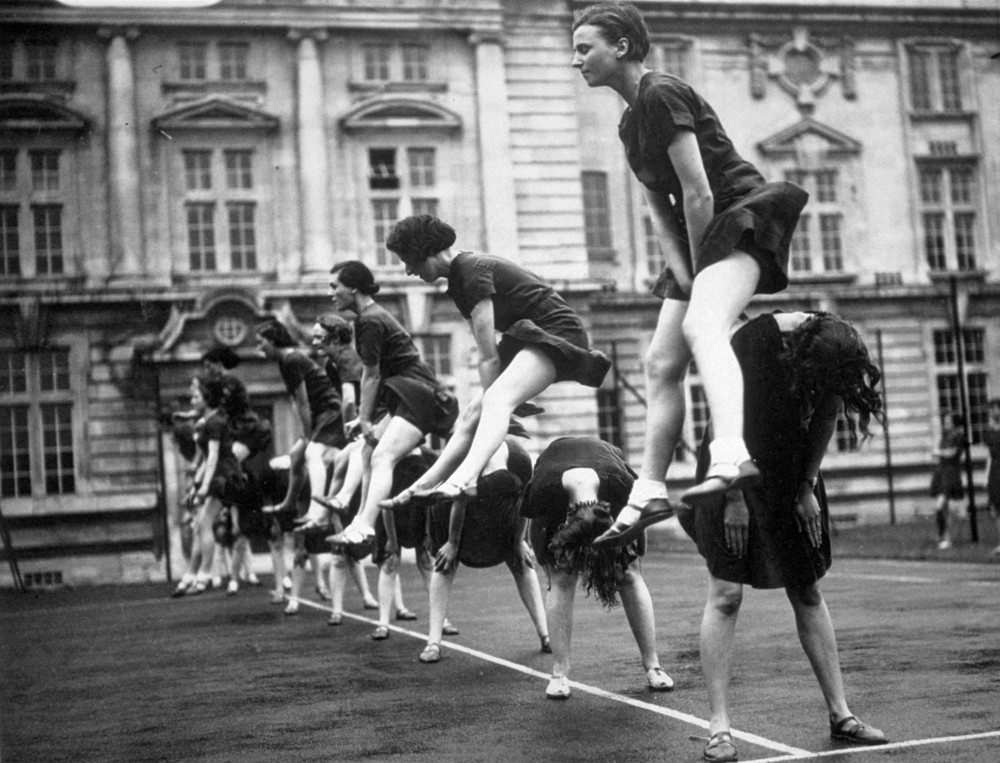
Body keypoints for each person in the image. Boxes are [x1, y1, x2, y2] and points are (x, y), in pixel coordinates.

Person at [571, 3, 809, 546]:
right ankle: (648, 490)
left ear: (622, 47)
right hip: (701, 233)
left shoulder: (662, 94)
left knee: (704, 328)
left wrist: (702, 278)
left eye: (585, 48)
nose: (575, 59)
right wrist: (686, 274)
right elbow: (660, 209)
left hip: (741, 216)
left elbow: (700, 190)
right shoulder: (630, 121)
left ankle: (731, 454)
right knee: (660, 361)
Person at [677, 311, 886, 761]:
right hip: (731, 467)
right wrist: (734, 500)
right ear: (801, 355)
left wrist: (807, 486)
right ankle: (719, 730)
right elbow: (721, 425)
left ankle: (841, 715)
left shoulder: (839, 346)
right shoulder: (754, 343)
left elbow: (825, 418)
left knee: (807, 589)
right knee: (727, 594)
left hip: (791, 470)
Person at [380, 214, 610, 513]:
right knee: (471, 415)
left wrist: (501, 398)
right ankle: (423, 486)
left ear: (425, 251)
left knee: (496, 401)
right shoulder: (459, 279)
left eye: (409, 261)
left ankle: (465, 478)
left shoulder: (472, 272)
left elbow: (488, 355)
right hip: (526, 337)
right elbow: (491, 354)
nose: (409, 271)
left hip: (555, 334)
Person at [521, 436, 672, 699]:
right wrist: (546, 563)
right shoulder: (543, 490)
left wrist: (636, 551)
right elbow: (535, 526)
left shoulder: (619, 483)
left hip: (609, 481)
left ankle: (654, 665)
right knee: (562, 579)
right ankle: (559, 671)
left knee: (629, 575)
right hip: (556, 489)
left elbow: (639, 513)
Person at [325, 261, 458, 548]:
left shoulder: (369, 321)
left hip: (417, 393)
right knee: (368, 450)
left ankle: (365, 527)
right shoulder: (370, 317)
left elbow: (371, 375)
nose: (331, 293)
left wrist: (364, 418)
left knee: (382, 457)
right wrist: (366, 418)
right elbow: (380, 374)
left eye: (335, 286)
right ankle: (360, 522)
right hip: (407, 392)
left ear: (354, 288)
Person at [420, 433, 550, 663]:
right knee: (444, 565)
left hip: (500, 509)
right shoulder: (466, 456)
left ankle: (545, 635)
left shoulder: (519, 458)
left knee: (521, 561)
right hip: (452, 511)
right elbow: (459, 501)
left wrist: (520, 540)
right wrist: (452, 543)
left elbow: (524, 502)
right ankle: (433, 642)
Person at [255, 319, 345, 529]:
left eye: (261, 343)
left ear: (272, 341)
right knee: (296, 456)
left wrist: (308, 434)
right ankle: (288, 504)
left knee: (312, 453)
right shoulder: (286, 360)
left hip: (329, 410)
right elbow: (298, 402)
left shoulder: (290, 359)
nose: (258, 348)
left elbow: (303, 401)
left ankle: (316, 512)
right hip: (321, 413)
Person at [172, 376, 244, 596]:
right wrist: (197, 486)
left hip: (226, 478)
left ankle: (203, 575)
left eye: (196, 396)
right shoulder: (208, 420)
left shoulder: (214, 422)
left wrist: (203, 488)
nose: (192, 400)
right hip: (217, 476)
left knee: (204, 523)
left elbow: (212, 458)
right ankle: (192, 574)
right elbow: (203, 459)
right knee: (199, 525)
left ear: (207, 399)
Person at [930, 411, 965, 550]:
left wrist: (938, 452)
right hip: (942, 471)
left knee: (941, 506)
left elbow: (952, 453)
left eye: (948, 422)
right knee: (943, 508)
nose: (946, 424)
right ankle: (944, 537)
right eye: (945, 421)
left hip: (950, 472)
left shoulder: (958, 436)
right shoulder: (945, 436)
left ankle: (946, 537)